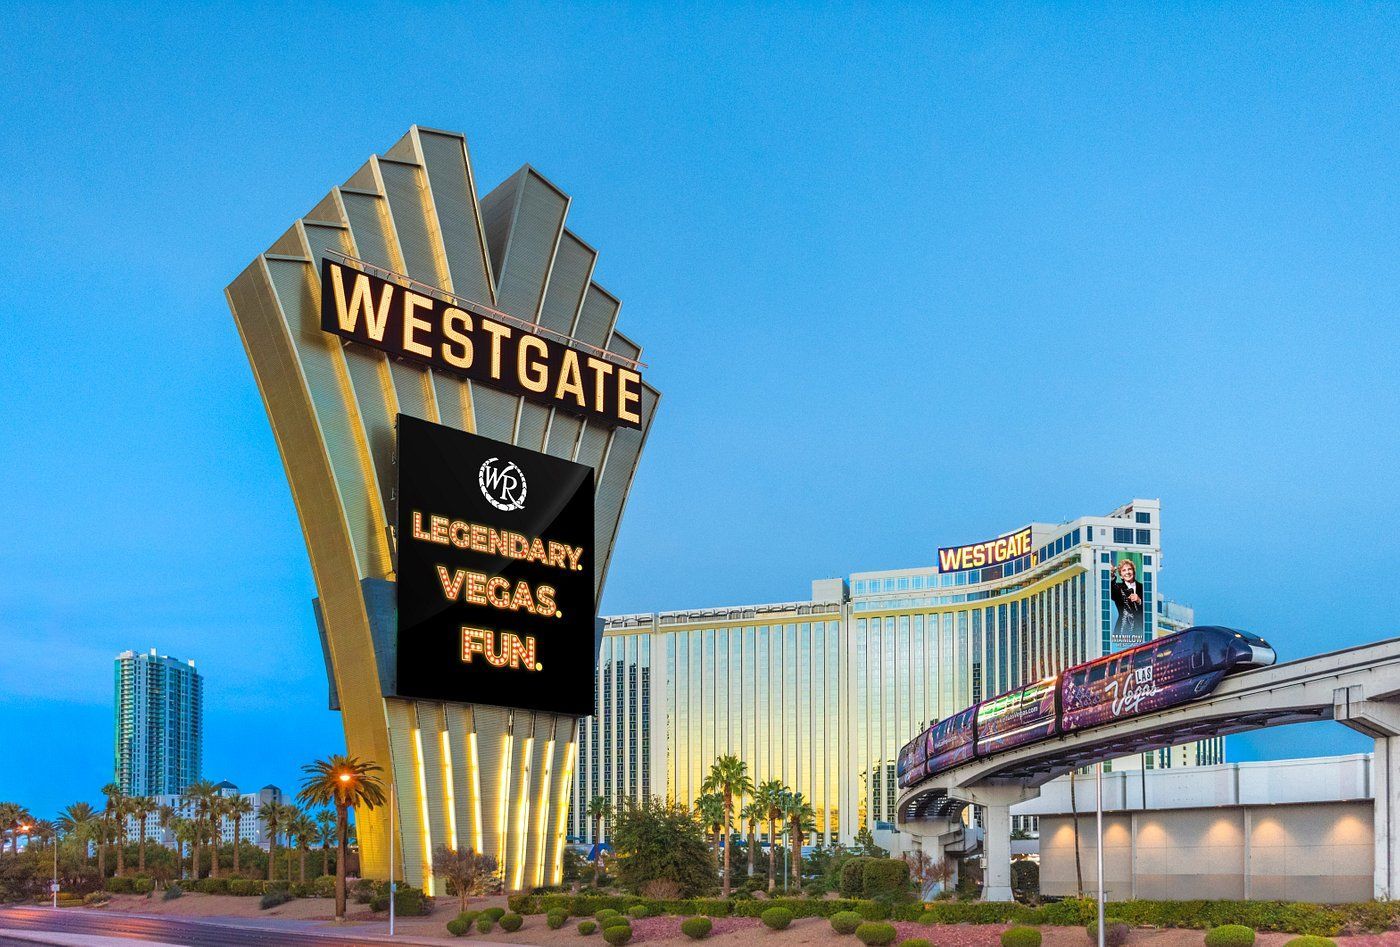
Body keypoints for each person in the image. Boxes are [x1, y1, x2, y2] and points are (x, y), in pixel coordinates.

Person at [1111, 556, 1144, 638]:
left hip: (1140, 631)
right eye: (1124, 570)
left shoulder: (1143, 588)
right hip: (1123, 629)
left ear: (1133, 571)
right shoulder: (1118, 588)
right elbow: (1111, 589)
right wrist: (1111, 575)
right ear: (1121, 576)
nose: (1127, 572)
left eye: (1129, 569)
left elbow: (1150, 608)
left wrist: (1139, 600)